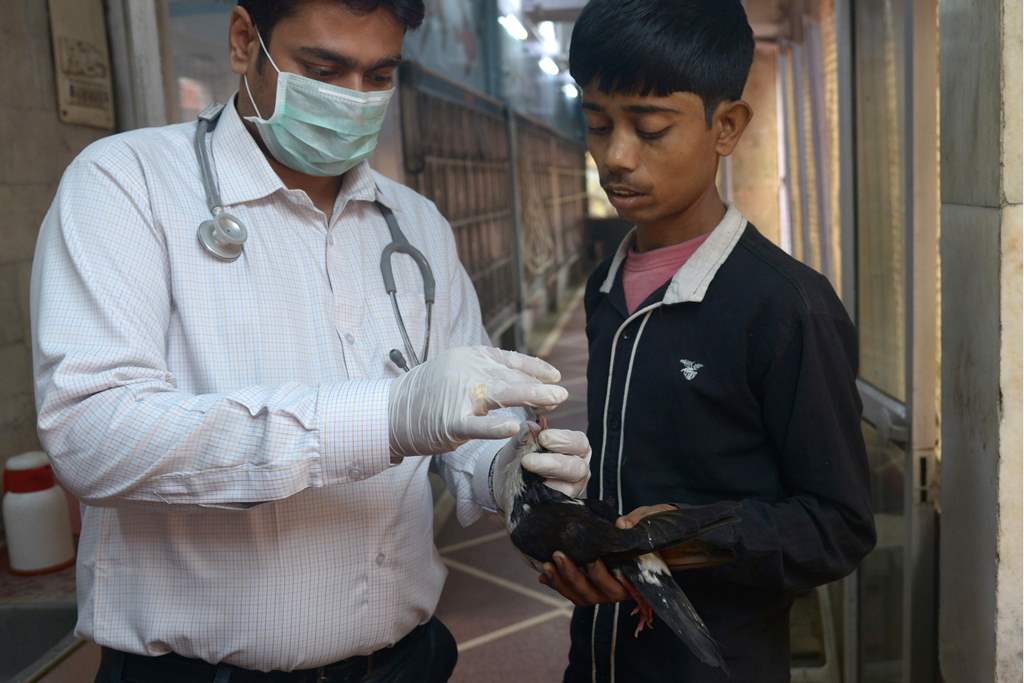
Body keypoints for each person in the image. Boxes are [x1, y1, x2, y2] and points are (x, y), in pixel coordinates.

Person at [30, 1, 593, 681]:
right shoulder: (127, 186)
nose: (353, 100)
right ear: (244, 40)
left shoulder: (413, 224)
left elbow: (461, 420)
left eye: (379, 75)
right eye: (323, 69)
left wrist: (509, 469)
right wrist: (385, 416)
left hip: (402, 661)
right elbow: (92, 434)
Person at [538, 1, 877, 681]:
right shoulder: (607, 286)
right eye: (598, 123)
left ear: (726, 126)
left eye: (650, 127)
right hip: (601, 656)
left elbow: (837, 524)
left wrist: (686, 535)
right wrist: (577, 543)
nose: (615, 156)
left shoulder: (785, 307)